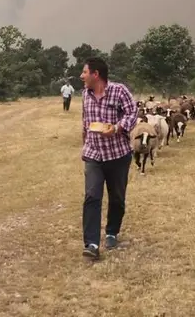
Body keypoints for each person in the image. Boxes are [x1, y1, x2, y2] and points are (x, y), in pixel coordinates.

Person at [79, 56, 138, 260]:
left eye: (84, 72)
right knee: (92, 196)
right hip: (94, 154)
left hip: (118, 154)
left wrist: (117, 128)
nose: (81, 76)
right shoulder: (85, 95)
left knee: (117, 198)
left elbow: (132, 114)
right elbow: (85, 121)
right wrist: (85, 144)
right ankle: (92, 244)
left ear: (96, 74)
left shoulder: (119, 91)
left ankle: (112, 232)